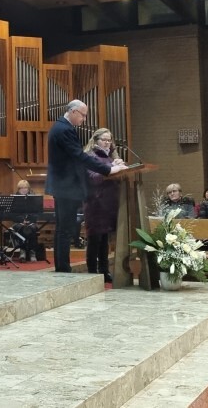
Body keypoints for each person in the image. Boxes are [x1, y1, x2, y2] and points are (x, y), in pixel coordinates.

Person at [45, 100, 126, 273]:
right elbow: (80, 157)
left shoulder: (60, 127)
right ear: (73, 112)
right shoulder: (65, 129)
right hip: (66, 186)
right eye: (83, 115)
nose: (84, 119)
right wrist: (108, 170)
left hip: (62, 185)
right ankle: (63, 269)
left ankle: (62, 268)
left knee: (63, 229)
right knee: (65, 230)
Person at [82, 128, 122, 282]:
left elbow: (115, 177)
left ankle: (104, 271)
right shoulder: (90, 156)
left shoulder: (109, 157)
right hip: (95, 203)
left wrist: (119, 166)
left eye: (109, 140)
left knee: (105, 239)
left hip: (108, 203)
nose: (107, 143)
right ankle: (92, 272)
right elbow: (93, 177)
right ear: (96, 140)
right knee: (95, 239)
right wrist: (112, 170)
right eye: (104, 140)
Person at [10, 179, 43, 263]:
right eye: (22, 188)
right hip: (18, 222)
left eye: (26, 188)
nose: (24, 190)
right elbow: (12, 215)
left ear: (28, 189)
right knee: (21, 228)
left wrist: (29, 220)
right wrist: (22, 220)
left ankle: (32, 252)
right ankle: (23, 251)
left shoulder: (33, 198)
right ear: (18, 189)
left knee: (32, 228)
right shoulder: (14, 199)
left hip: (31, 222)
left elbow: (37, 213)